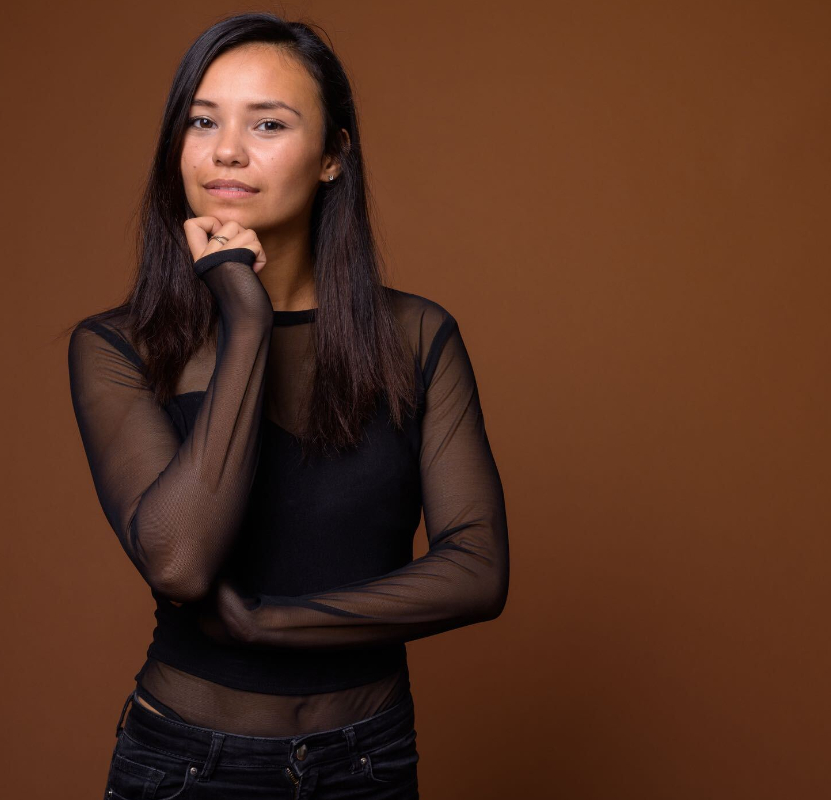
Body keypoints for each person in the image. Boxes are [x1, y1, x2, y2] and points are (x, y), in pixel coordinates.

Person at [66, 13, 509, 798]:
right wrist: (246, 319)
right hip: (187, 767)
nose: (226, 149)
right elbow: (179, 561)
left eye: (268, 123)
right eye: (203, 121)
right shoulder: (119, 347)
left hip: (369, 762)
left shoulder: (416, 335)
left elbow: (477, 571)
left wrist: (269, 623)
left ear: (334, 155)